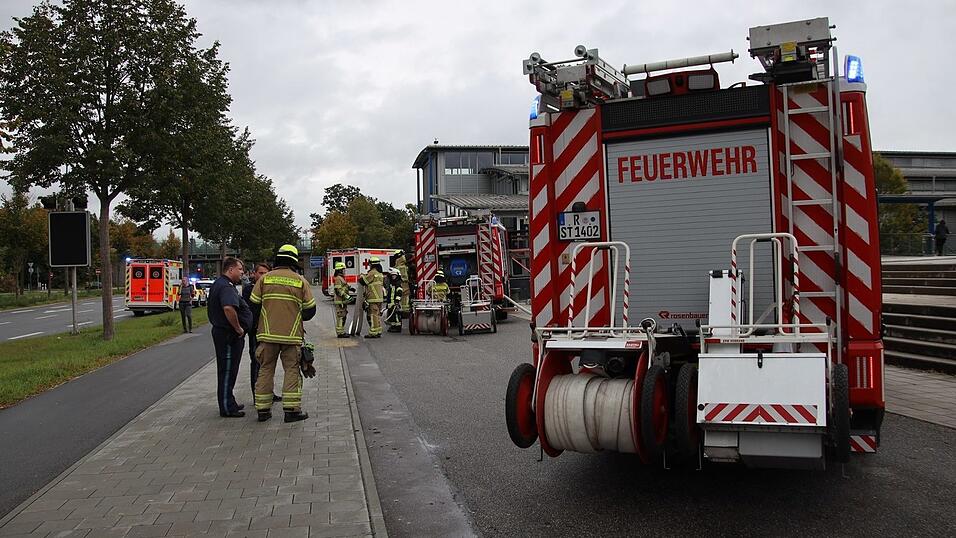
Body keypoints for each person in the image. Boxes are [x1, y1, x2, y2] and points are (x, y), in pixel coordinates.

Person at [249, 244, 316, 423]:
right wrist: (294, 314)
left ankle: (263, 410)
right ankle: (291, 411)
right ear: (294, 260)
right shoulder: (300, 281)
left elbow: (253, 306)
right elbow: (310, 311)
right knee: (291, 370)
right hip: (291, 335)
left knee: (265, 370)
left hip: (267, 335)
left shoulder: (264, 280)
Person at [208, 258, 251, 418]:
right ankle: (226, 407)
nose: (242, 273)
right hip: (227, 335)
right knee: (227, 370)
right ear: (230, 269)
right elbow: (228, 308)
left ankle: (229, 401)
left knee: (230, 370)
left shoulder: (222, 284)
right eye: (240, 269)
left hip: (225, 334)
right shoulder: (226, 287)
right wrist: (238, 328)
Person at [242, 262, 280, 402]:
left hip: (270, 330)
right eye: (261, 273)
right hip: (256, 331)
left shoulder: (270, 288)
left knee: (268, 364)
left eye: (266, 273)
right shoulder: (249, 289)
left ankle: (269, 392)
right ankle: (257, 395)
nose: (263, 276)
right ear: (254, 274)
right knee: (257, 362)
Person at [360, 256, 385, 338]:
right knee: (377, 314)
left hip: (373, 297)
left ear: (372, 264)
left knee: (373, 315)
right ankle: (378, 330)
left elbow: (364, 281)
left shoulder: (372, 273)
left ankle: (373, 332)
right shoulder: (380, 273)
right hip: (379, 297)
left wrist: (361, 276)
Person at [333, 262, 350, 337]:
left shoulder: (341, 278)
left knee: (343, 316)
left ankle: (342, 331)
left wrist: (350, 288)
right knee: (340, 317)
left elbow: (343, 287)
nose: (344, 271)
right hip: (340, 301)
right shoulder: (338, 279)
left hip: (343, 301)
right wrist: (347, 297)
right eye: (343, 269)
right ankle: (340, 333)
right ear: (340, 270)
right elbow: (338, 291)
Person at [384, 268, 404, 333]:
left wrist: (397, 301)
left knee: (396, 315)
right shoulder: (392, 283)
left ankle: (397, 327)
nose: (393, 277)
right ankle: (393, 326)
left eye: (394, 275)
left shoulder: (398, 283)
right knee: (391, 315)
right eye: (392, 275)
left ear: (397, 276)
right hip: (391, 302)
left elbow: (399, 292)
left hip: (395, 302)